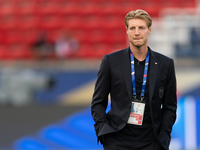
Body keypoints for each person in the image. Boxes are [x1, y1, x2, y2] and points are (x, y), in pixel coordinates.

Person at [91, 9, 177, 150]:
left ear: (149, 30)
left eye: (141, 28)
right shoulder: (111, 61)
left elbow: (170, 107)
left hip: (152, 142)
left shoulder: (165, 64)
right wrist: (103, 131)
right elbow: (98, 102)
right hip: (117, 140)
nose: (137, 32)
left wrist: (164, 135)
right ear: (126, 30)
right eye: (132, 28)